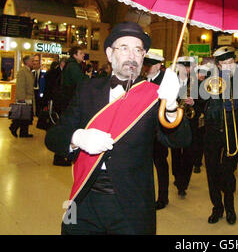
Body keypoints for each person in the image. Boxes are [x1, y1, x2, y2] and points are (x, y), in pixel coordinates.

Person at [45, 22, 191, 235]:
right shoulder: (87, 89)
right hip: (84, 199)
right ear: (109, 54)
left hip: (132, 206)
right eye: (124, 47)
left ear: (144, 57)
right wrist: (77, 137)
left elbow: (181, 140)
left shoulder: (155, 96)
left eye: (138, 50)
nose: (132, 55)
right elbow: (54, 137)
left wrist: (170, 108)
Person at [202, 46, 238, 225]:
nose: (229, 67)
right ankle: (217, 207)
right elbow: (204, 100)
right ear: (218, 65)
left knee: (228, 171)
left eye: (231, 63)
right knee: (212, 170)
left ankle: (230, 208)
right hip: (213, 130)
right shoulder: (210, 78)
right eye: (224, 64)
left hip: (234, 130)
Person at [171, 56, 200, 197]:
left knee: (188, 154)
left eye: (188, 67)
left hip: (190, 122)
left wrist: (194, 103)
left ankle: (183, 183)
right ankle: (177, 176)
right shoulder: (171, 81)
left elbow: (203, 103)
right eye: (183, 66)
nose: (186, 69)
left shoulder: (196, 83)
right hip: (175, 121)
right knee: (176, 153)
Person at [145, 52, 169, 210]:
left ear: (159, 65)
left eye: (151, 66)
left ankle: (163, 197)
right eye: (147, 65)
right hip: (144, 129)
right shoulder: (142, 80)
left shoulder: (166, 81)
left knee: (160, 164)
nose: (148, 69)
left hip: (159, 129)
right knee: (144, 165)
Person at [43, 61, 71, 166]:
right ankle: (59, 157)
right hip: (59, 104)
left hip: (58, 103)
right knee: (61, 129)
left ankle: (60, 156)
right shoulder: (57, 74)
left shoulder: (56, 73)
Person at [9, 55, 34, 138]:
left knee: (26, 117)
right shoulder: (22, 72)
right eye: (32, 61)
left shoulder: (29, 71)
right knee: (22, 115)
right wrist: (21, 98)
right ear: (27, 62)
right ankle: (14, 127)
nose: (33, 63)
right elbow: (20, 86)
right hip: (25, 98)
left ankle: (24, 132)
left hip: (29, 97)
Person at [59, 46, 86, 113]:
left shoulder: (71, 64)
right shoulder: (73, 66)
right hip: (70, 99)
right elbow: (80, 81)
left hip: (67, 98)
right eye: (81, 53)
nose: (83, 54)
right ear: (75, 55)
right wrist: (88, 77)